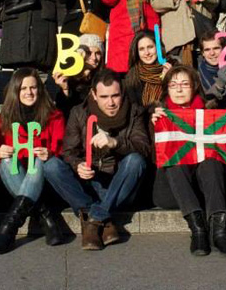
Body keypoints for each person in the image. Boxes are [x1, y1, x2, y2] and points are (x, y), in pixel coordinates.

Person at [45, 69, 151, 250]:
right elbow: (68, 151)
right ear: (94, 94)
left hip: (119, 182)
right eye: (104, 97)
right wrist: (78, 165)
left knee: (135, 161)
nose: (110, 102)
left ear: (122, 93)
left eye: (115, 96)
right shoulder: (79, 112)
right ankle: (104, 219)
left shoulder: (134, 112)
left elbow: (144, 148)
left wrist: (115, 142)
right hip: (90, 181)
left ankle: (93, 218)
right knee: (51, 167)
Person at [150, 65, 226, 257]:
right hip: (172, 189)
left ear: (194, 87)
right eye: (173, 85)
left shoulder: (212, 112)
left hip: (206, 188)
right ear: (166, 89)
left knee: (210, 159)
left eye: (184, 84)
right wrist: (155, 128)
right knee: (174, 160)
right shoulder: (158, 114)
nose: (178, 89)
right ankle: (198, 230)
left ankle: (219, 233)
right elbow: (153, 155)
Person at [0, 68, 67, 253]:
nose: (29, 92)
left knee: (40, 162)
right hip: (14, 178)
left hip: (44, 182)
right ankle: (44, 214)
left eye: (33, 87)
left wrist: (50, 152)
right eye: (23, 88)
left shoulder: (55, 115)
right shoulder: (4, 119)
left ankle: (9, 227)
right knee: (7, 161)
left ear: (40, 90)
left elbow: (64, 150)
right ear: (15, 91)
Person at [53, 33, 104, 117]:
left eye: (97, 53)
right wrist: (65, 89)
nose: (94, 58)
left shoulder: (102, 77)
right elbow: (61, 110)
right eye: (89, 53)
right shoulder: (67, 76)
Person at [122, 29, 171, 110]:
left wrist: (168, 80)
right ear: (136, 52)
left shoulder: (172, 68)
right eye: (141, 49)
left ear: (158, 48)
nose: (147, 53)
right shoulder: (132, 77)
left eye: (150, 47)